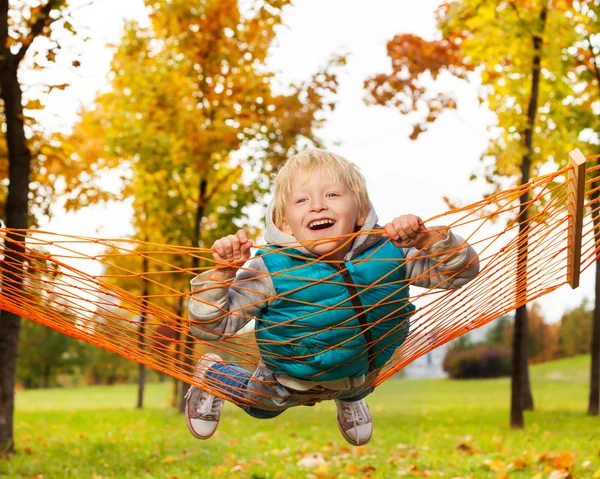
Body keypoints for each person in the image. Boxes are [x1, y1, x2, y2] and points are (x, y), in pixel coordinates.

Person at [185, 148, 479, 446]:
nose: (316, 207)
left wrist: (429, 240)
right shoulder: (269, 270)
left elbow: (461, 273)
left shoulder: (392, 252)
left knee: (359, 387)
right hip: (289, 376)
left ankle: (348, 396)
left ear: (360, 212)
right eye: (301, 200)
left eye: (332, 195)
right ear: (285, 223)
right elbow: (210, 327)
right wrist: (222, 275)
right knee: (261, 408)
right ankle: (213, 374)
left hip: (362, 367)